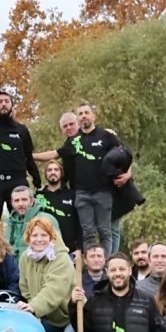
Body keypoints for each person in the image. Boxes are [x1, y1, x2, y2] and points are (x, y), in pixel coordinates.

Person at [36, 102, 123, 253]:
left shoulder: (106, 136)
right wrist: (30, 156)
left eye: (86, 113)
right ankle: (91, 264)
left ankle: (108, 264)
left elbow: (123, 156)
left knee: (106, 231)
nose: (83, 116)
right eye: (80, 114)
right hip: (82, 194)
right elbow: (54, 154)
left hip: (104, 191)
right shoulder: (73, 142)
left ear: (93, 116)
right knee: (88, 233)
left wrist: (128, 174)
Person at [17, 217, 80, 332]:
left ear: (52, 237)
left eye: (43, 235)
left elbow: (55, 289)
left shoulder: (61, 259)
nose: (39, 239)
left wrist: (35, 307)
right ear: (28, 237)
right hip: (45, 318)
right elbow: (25, 287)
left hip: (67, 318)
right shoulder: (25, 258)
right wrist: (31, 307)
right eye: (34, 235)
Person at [0, 88, 40, 223]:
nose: (3, 104)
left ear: (12, 105)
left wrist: (36, 177)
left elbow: (28, 156)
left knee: (24, 220)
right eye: (0, 102)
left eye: (7, 101)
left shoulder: (21, 130)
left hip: (17, 180)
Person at [36, 159, 82, 253]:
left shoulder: (72, 195)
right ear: (45, 174)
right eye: (49, 170)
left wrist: (80, 248)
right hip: (44, 249)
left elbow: (80, 222)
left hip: (69, 249)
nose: (53, 172)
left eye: (56, 170)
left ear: (61, 173)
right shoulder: (38, 196)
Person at [4, 185, 59, 259]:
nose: (20, 204)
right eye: (17, 200)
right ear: (12, 203)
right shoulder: (9, 222)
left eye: (24, 200)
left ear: (32, 200)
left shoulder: (46, 219)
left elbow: (57, 248)